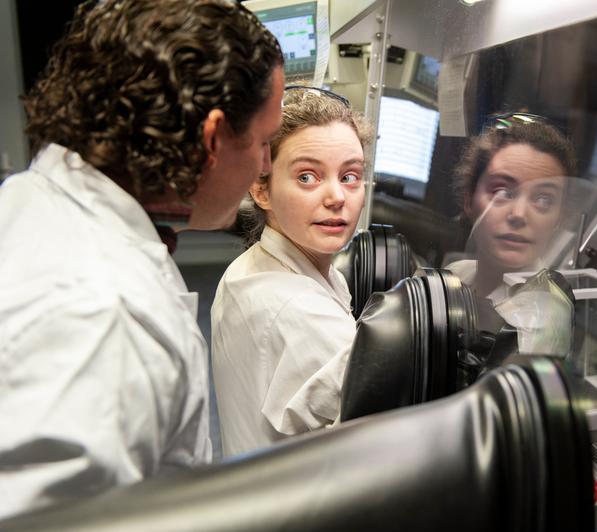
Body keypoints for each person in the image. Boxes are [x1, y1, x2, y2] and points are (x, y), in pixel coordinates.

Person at [0, 0, 284, 519]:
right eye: (266, 142)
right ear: (212, 137)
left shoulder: (28, 196)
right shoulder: (105, 317)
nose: (265, 165)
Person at [211, 87, 370, 456]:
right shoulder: (299, 311)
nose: (336, 197)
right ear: (261, 190)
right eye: (307, 177)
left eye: (350, 176)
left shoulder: (251, 268)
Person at [449, 114, 578, 305]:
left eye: (543, 199)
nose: (518, 214)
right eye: (502, 192)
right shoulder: (455, 274)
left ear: (559, 218)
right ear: (469, 200)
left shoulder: (545, 313)